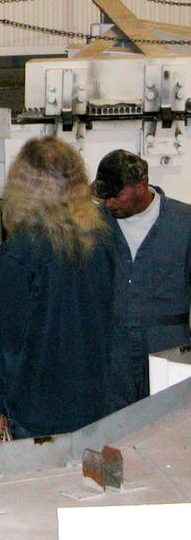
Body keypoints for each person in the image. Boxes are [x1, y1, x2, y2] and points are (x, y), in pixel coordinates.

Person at [0, 137, 115, 440]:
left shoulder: (19, 253)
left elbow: (5, 342)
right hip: (97, 399)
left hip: (40, 406)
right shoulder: (104, 239)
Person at [93, 149, 191, 410]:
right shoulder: (93, 225)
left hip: (168, 347)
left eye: (116, 195)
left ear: (140, 186)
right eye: (105, 196)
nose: (109, 203)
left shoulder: (185, 223)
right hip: (110, 348)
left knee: (168, 425)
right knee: (109, 428)